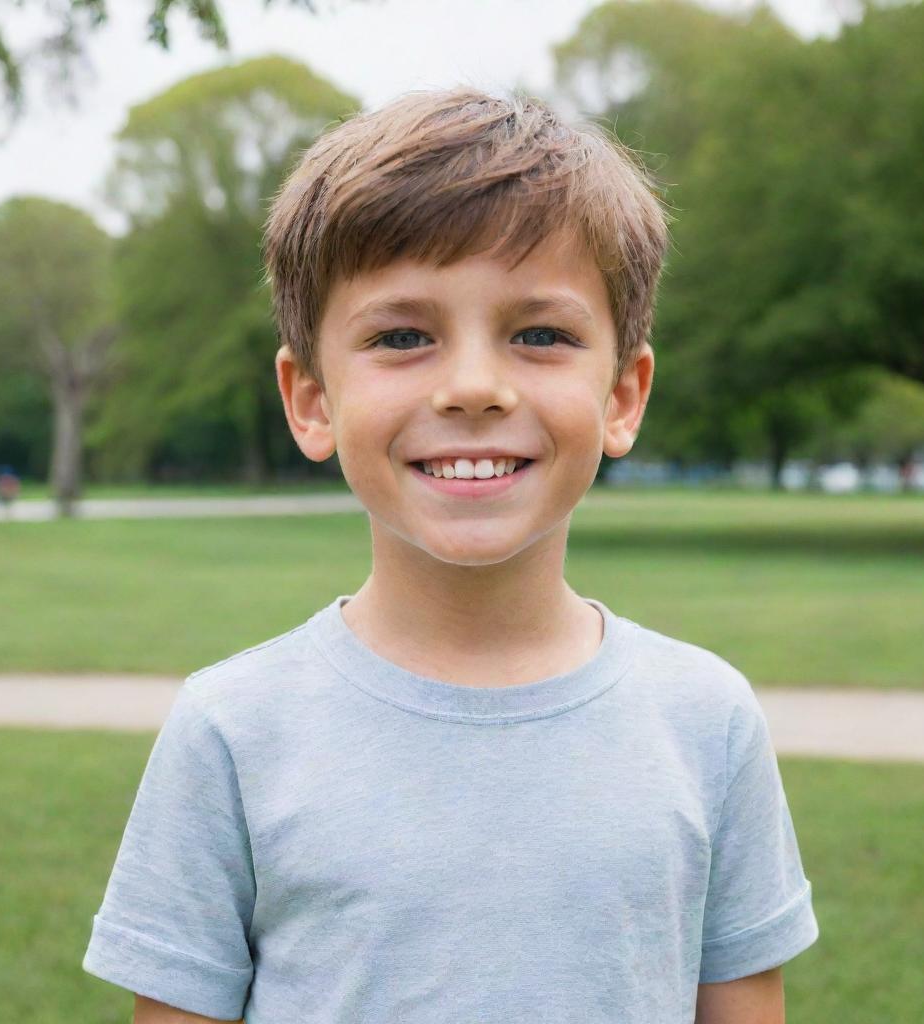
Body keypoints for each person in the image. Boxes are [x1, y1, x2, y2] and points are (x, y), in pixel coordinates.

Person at [83, 86, 819, 1023]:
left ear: (623, 396)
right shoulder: (232, 730)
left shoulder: (707, 720)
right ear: (310, 399)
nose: (474, 387)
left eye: (540, 335)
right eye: (403, 337)